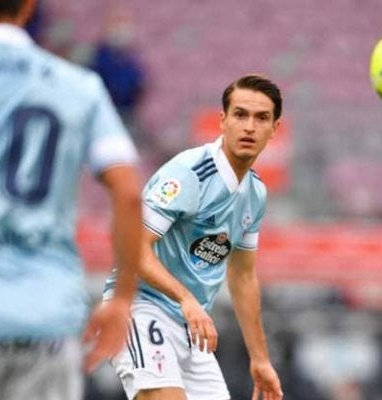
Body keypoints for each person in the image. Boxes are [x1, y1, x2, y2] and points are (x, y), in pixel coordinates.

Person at [0, 0, 143, 399]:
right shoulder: (79, 86)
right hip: (47, 316)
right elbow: (128, 192)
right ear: (28, 7)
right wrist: (123, 298)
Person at [102, 74, 284, 400]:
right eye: (240, 115)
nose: (249, 127)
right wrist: (185, 298)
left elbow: (243, 276)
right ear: (223, 120)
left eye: (261, 118)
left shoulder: (255, 193)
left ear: (274, 129)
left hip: (190, 328)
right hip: (140, 307)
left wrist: (260, 359)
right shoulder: (190, 173)